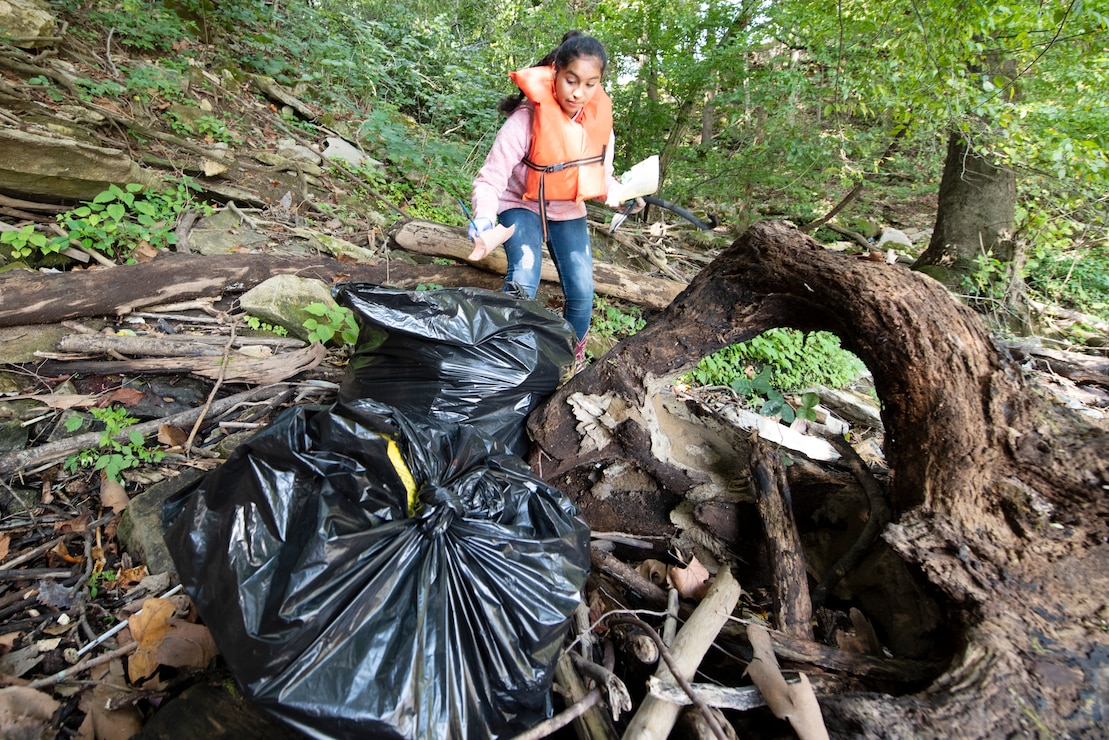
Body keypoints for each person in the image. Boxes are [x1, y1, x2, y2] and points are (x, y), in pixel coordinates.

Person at [469, 30, 643, 370]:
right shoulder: (526, 120)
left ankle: (568, 361)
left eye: (590, 84)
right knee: (525, 276)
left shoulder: (599, 123)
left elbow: (601, 177)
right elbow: (490, 178)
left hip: (567, 208)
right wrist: (485, 219)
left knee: (582, 290)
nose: (579, 93)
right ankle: (500, 357)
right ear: (554, 73)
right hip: (519, 203)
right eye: (571, 80)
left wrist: (622, 197)